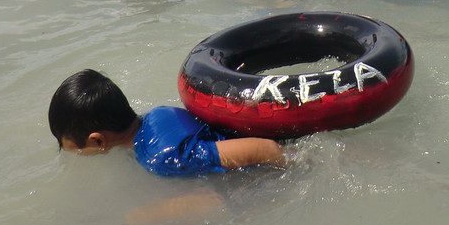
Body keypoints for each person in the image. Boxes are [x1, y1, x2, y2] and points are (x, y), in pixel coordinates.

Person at [48, 69, 285, 175]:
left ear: (98, 141)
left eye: (76, 150)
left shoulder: (161, 158)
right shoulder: (155, 116)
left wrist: (297, 161)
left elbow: (267, 149)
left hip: (274, 156)